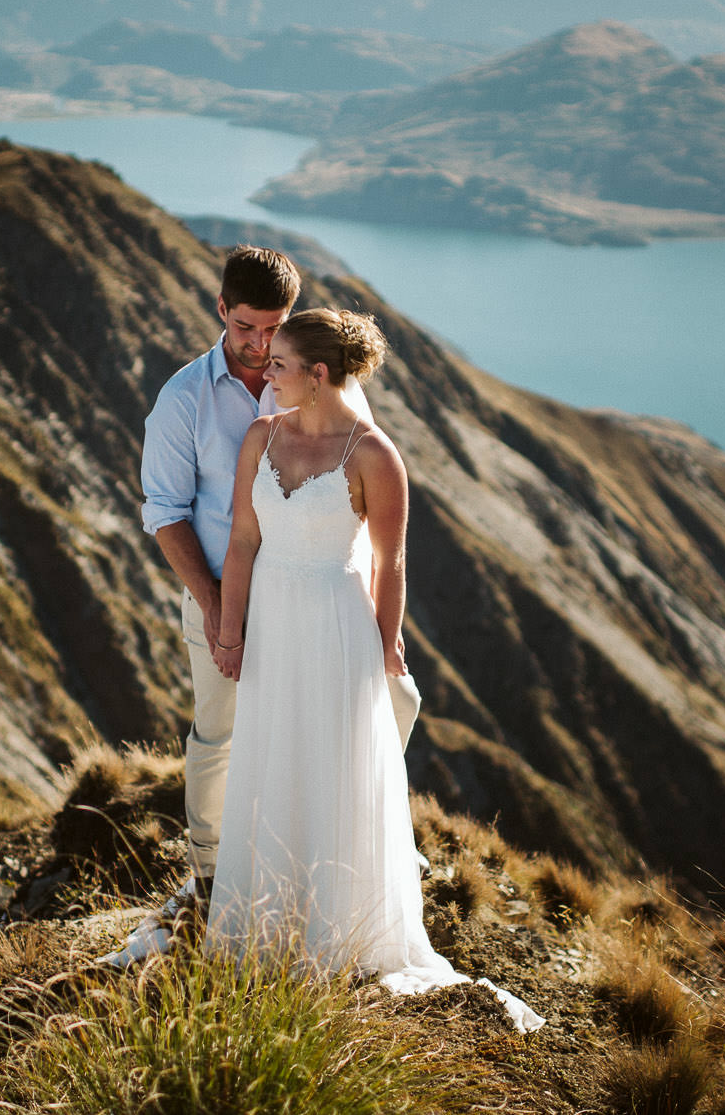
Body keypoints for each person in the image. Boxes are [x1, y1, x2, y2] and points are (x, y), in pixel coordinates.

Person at [205, 309, 537, 1027]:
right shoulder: (261, 437)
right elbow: (241, 540)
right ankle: (267, 922)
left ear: (319, 375)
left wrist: (385, 650)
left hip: (336, 628)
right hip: (271, 625)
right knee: (271, 759)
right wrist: (229, 633)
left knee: (334, 768)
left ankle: (337, 934)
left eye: (281, 364)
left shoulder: (374, 455)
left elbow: (391, 564)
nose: (266, 372)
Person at [139, 245, 301, 901]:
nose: (260, 345)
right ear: (220, 309)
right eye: (245, 327)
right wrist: (213, 605)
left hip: (301, 593)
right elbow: (165, 512)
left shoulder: (312, 384)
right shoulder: (183, 399)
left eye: (274, 328)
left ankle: (294, 856)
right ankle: (208, 875)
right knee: (218, 733)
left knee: (310, 721)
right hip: (216, 593)